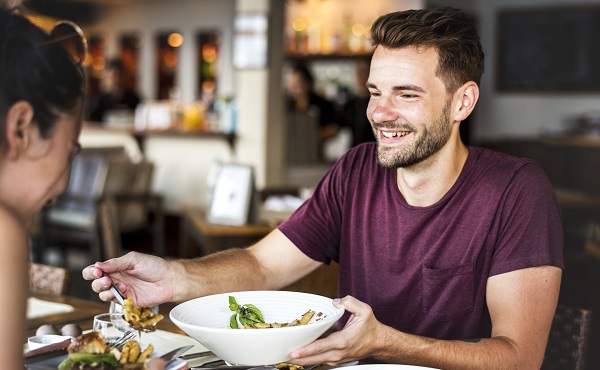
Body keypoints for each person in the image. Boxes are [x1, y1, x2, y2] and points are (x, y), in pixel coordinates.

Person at [84, 7, 563, 369]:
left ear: (463, 102)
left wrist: (386, 341)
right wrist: (173, 278)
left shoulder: (515, 190)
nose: (380, 112)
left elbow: (519, 357)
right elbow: (261, 264)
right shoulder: (356, 170)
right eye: (375, 92)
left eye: (406, 95)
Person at [286, 63, 340, 149]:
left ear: (308, 83)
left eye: (298, 84)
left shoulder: (323, 104)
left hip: (316, 151)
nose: (294, 89)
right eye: (292, 86)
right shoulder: (287, 105)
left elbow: (334, 129)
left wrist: (313, 135)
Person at [88, 58, 141, 123]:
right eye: (111, 77)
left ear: (124, 77)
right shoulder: (100, 101)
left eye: (118, 76)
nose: (115, 80)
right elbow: (92, 122)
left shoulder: (134, 99)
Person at [339, 58, 375, 146]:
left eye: (363, 71)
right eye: (357, 71)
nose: (359, 75)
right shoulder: (350, 104)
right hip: (355, 152)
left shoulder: (377, 102)